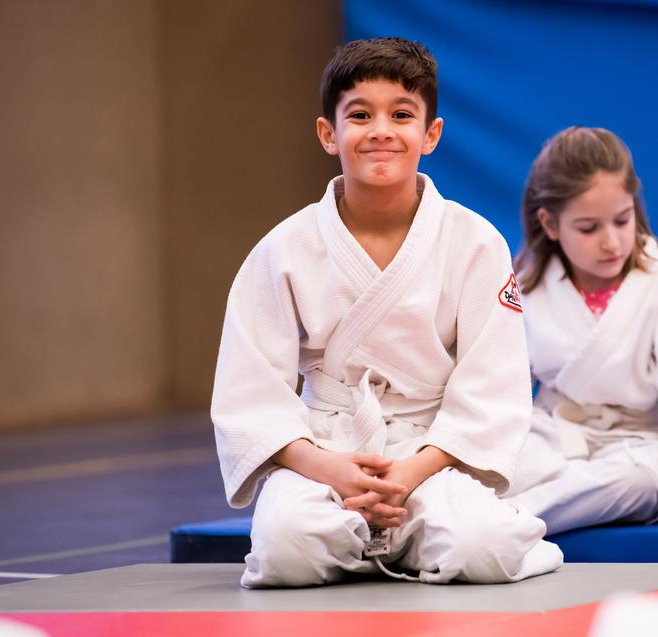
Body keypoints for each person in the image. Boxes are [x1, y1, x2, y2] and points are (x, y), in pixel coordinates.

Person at [210, 37, 563, 587]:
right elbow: (249, 389)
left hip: (430, 450)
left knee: (483, 547)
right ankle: (392, 543)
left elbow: (493, 384)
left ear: (431, 134)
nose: (380, 130)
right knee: (285, 551)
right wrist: (327, 467)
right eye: (359, 115)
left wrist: (410, 472)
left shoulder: (475, 242)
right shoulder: (283, 248)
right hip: (325, 447)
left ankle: (390, 539)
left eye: (401, 115)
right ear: (328, 133)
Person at [506, 126, 658, 562]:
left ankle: (503, 523)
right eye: (589, 228)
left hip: (640, 446)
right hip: (554, 433)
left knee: (636, 482)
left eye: (623, 220)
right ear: (550, 224)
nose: (612, 241)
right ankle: (481, 510)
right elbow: (500, 388)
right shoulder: (528, 289)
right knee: (491, 470)